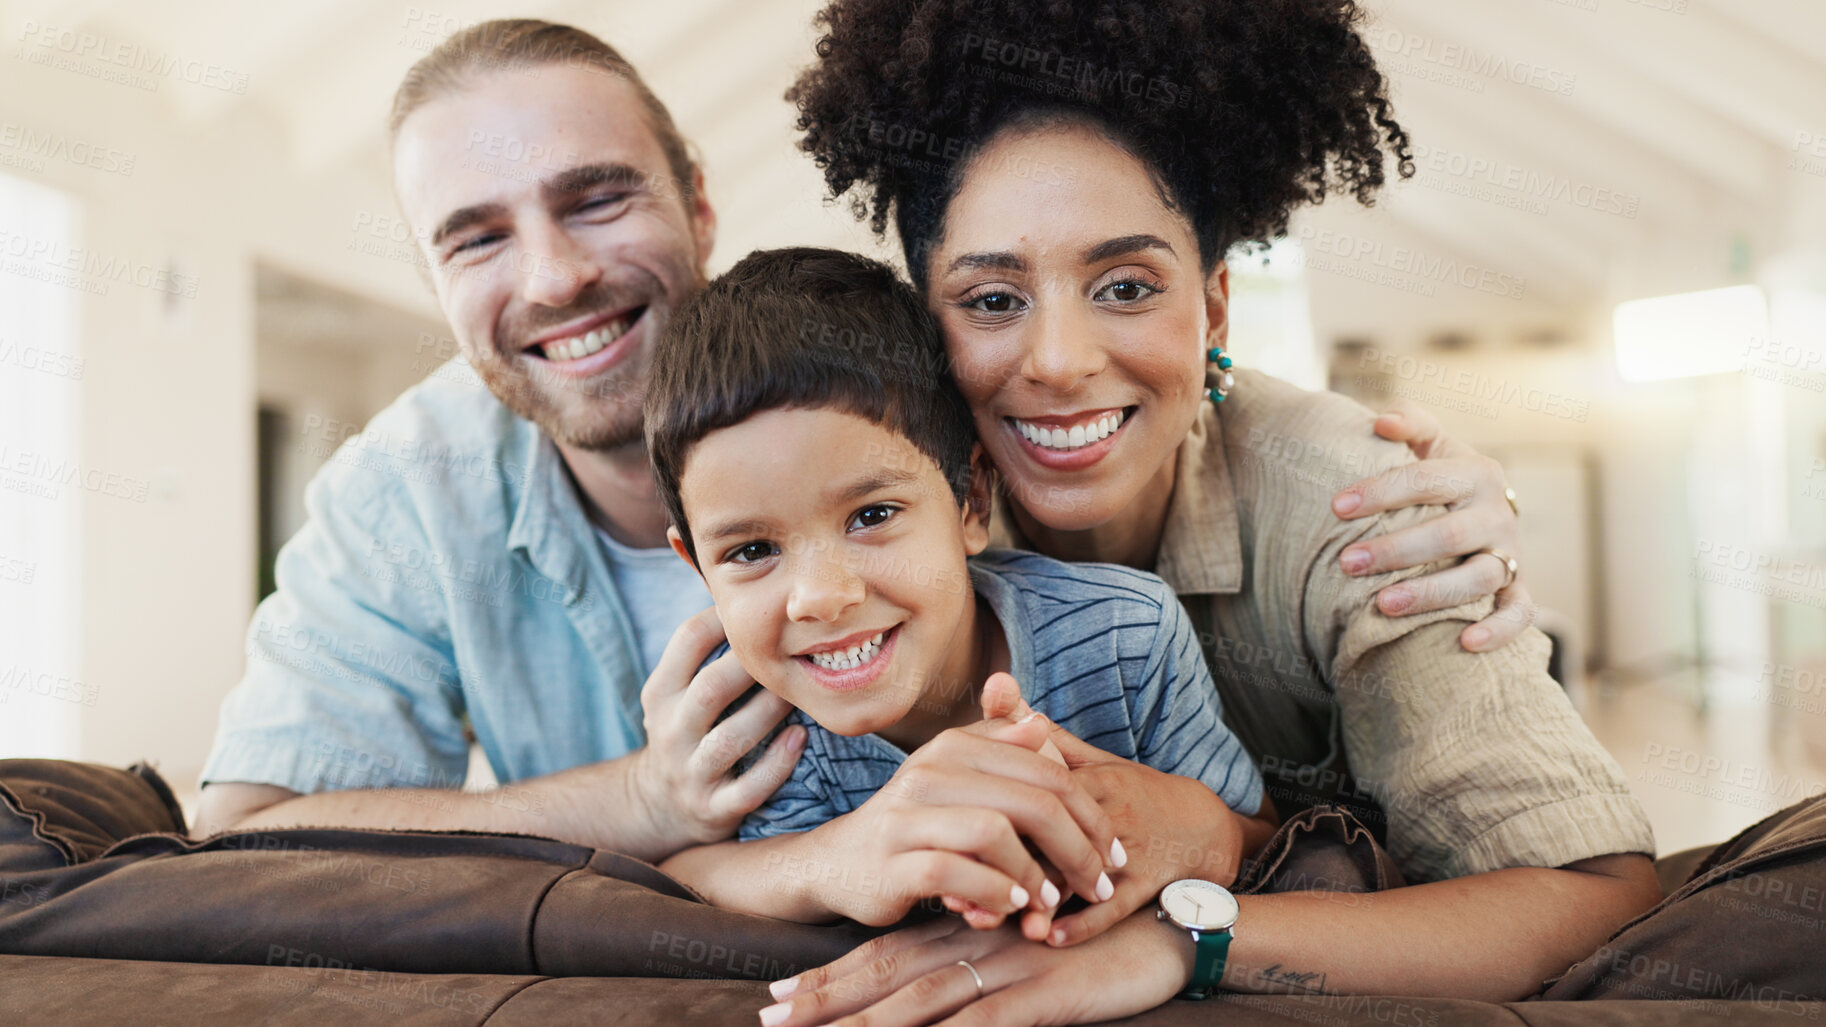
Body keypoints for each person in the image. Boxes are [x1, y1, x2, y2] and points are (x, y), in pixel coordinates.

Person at [189, 19, 1528, 868]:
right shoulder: (405, 490)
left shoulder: (922, 377)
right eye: (473, 236)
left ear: (697, 204)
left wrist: (1362, 463)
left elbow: (1109, 365)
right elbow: (242, 830)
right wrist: (648, 802)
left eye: (595, 201)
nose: (551, 279)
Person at [754, 1, 1661, 1022]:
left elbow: (1596, 891)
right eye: (993, 301)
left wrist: (1187, 939)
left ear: (1215, 308)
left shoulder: (1362, 508)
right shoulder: (868, 528)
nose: (1058, 361)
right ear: (925, 325)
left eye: (1127, 285)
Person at [644, 246, 1277, 929]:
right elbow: (681, 877)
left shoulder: (1124, 640)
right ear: (698, 566)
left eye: (871, 516)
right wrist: (827, 861)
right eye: (753, 550)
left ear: (971, 499)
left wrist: (1185, 822)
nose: (820, 596)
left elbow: (1264, 846)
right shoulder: (749, 719)